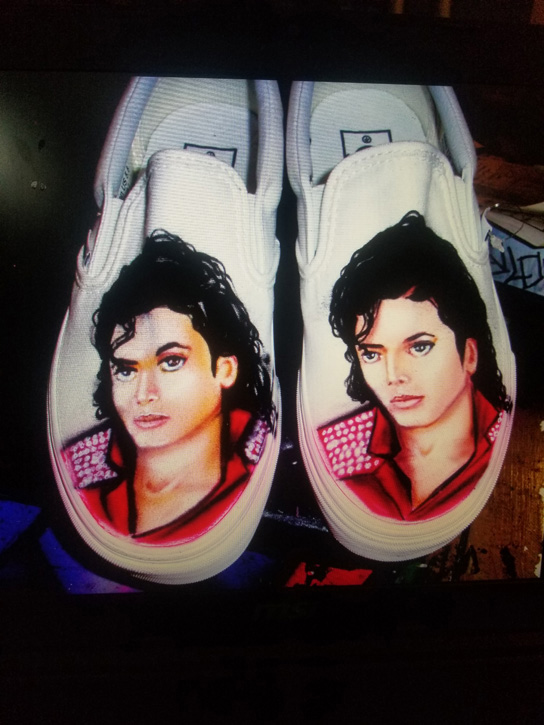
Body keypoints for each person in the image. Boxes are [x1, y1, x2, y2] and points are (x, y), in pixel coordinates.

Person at [62, 230, 274, 543]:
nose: (144, 394)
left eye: (171, 362)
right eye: (125, 370)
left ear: (225, 369)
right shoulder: (88, 475)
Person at [321, 211, 512, 521]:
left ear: (470, 353)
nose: (393, 376)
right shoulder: (339, 447)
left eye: (419, 347)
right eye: (371, 354)